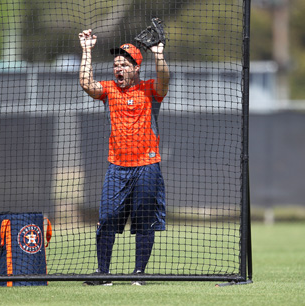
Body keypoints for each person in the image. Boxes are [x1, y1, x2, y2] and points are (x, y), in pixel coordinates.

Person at [78, 29, 170, 286]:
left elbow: (165, 79)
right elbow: (87, 84)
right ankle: (103, 274)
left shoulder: (150, 89)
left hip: (147, 166)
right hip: (117, 167)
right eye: (116, 64)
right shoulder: (109, 90)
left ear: (136, 68)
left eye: (124, 64)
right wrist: (86, 51)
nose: (118, 67)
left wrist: (159, 55)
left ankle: (138, 274)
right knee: (106, 218)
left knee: (144, 221)